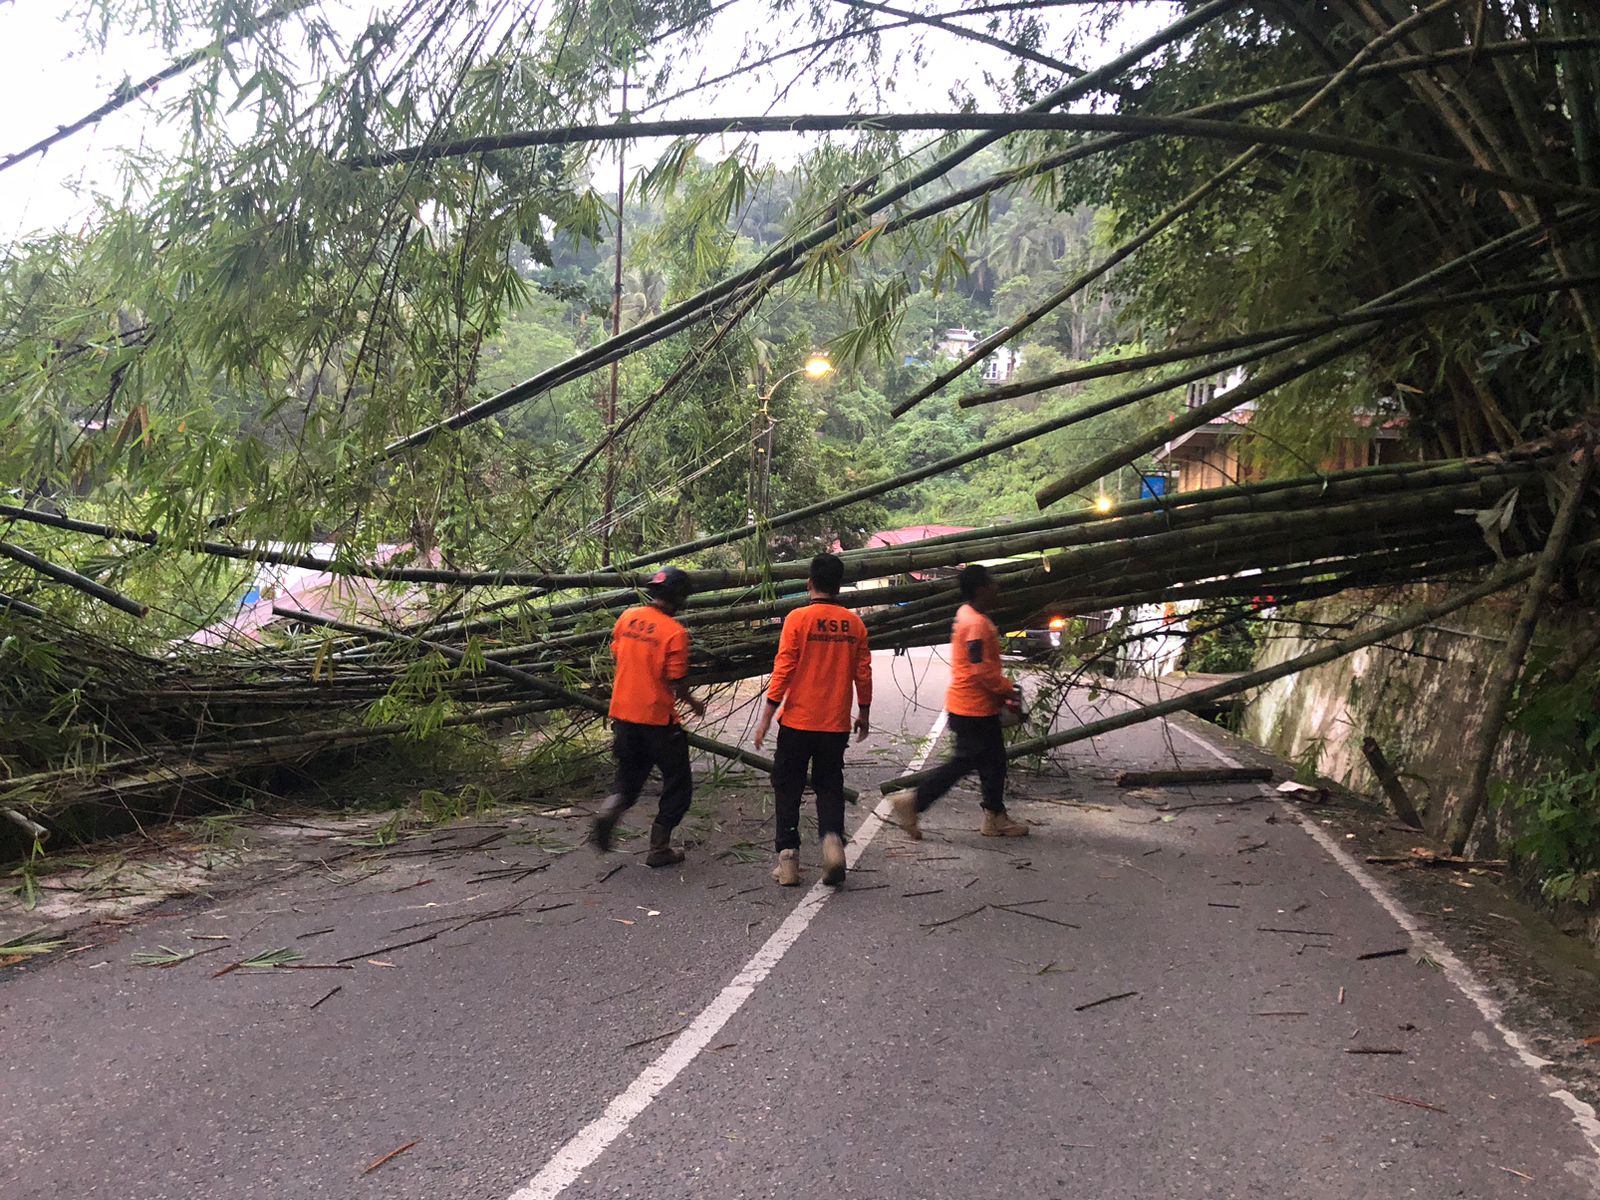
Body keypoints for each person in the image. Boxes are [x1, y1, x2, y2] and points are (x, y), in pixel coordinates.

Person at [753, 553, 872, 887]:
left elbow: (784, 670)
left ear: (809, 583)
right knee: (829, 785)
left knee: (787, 787)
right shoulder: (854, 624)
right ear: (839, 586)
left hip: (797, 723)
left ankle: (788, 861)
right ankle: (832, 843)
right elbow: (863, 673)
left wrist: (766, 717)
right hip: (835, 724)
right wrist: (863, 711)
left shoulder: (797, 619)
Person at [888, 563, 1028, 839]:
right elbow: (979, 669)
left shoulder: (967, 613)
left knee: (994, 761)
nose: (996, 587)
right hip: (971, 708)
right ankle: (913, 802)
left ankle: (995, 816)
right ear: (980, 589)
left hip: (975, 706)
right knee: (963, 763)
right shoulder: (976, 623)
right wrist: (1007, 689)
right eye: (991, 582)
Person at [589, 566, 705, 866]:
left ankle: (611, 807)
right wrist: (693, 703)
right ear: (680, 597)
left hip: (623, 715)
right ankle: (659, 848)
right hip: (657, 720)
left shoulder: (627, 618)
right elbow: (676, 681)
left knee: (630, 774)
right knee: (678, 781)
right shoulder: (675, 633)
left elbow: (618, 653)